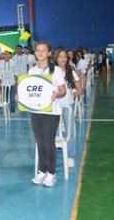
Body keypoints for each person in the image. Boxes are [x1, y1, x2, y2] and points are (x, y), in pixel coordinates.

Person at [23, 42, 66, 187]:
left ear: (49, 53)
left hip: (51, 112)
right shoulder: (31, 71)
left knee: (49, 143)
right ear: (35, 53)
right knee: (40, 142)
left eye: (44, 50)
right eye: (38, 50)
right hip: (36, 112)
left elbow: (63, 90)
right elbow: (28, 90)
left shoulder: (56, 70)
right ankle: (42, 171)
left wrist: (56, 95)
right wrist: (21, 97)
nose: (40, 53)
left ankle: (51, 173)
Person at [53, 49, 83, 168]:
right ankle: (52, 154)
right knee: (53, 130)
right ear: (55, 58)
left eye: (65, 57)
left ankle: (70, 156)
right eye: (60, 57)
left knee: (69, 131)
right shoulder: (51, 71)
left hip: (67, 105)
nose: (63, 59)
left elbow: (80, 90)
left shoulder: (71, 72)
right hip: (54, 105)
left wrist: (71, 95)